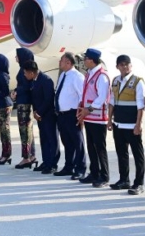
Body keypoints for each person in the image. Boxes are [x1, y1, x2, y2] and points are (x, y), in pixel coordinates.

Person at [107, 54, 145, 195]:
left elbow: (140, 106)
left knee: (137, 155)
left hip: (131, 125)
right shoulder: (116, 81)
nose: (124, 66)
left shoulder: (137, 82)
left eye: (126, 64)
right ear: (117, 67)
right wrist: (109, 120)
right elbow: (112, 102)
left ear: (131, 66)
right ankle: (124, 179)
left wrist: (138, 124)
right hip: (118, 124)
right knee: (121, 153)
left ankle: (139, 183)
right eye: (121, 64)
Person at [78, 48, 110, 187]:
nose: (84, 61)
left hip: (98, 118)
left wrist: (88, 109)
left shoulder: (101, 76)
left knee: (100, 148)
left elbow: (102, 97)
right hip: (89, 117)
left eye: (86, 59)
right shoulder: (89, 74)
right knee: (91, 147)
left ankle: (104, 175)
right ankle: (94, 173)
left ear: (91, 60)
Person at [54, 52, 87, 180]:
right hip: (62, 114)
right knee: (67, 142)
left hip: (73, 114)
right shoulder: (63, 75)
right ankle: (69, 166)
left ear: (68, 62)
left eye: (61, 60)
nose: (59, 63)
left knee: (78, 143)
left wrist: (80, 115)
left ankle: (80, 168)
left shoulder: (77, 76)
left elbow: (82, 96)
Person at [27, 60, 59, 175]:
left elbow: (49, 99)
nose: (25, 76)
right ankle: (46, 162)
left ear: (31, 72)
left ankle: (53, 164)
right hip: (40, 115)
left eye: (25, 73)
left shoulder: (45, 80)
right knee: (44, 140)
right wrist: (36, 112)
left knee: (52, 140)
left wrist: (39, 112)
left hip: (48, 115)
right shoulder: (34, 81)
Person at [12, 47, 37, 169]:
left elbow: (27, 86)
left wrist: (17, 91)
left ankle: (26, 157)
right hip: (23, 101)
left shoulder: (25, 70)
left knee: (25, 131)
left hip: (24, 103)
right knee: (28, 131)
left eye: (17, 55)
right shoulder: (23, 68)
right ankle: (31, 155)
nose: (16, 58)